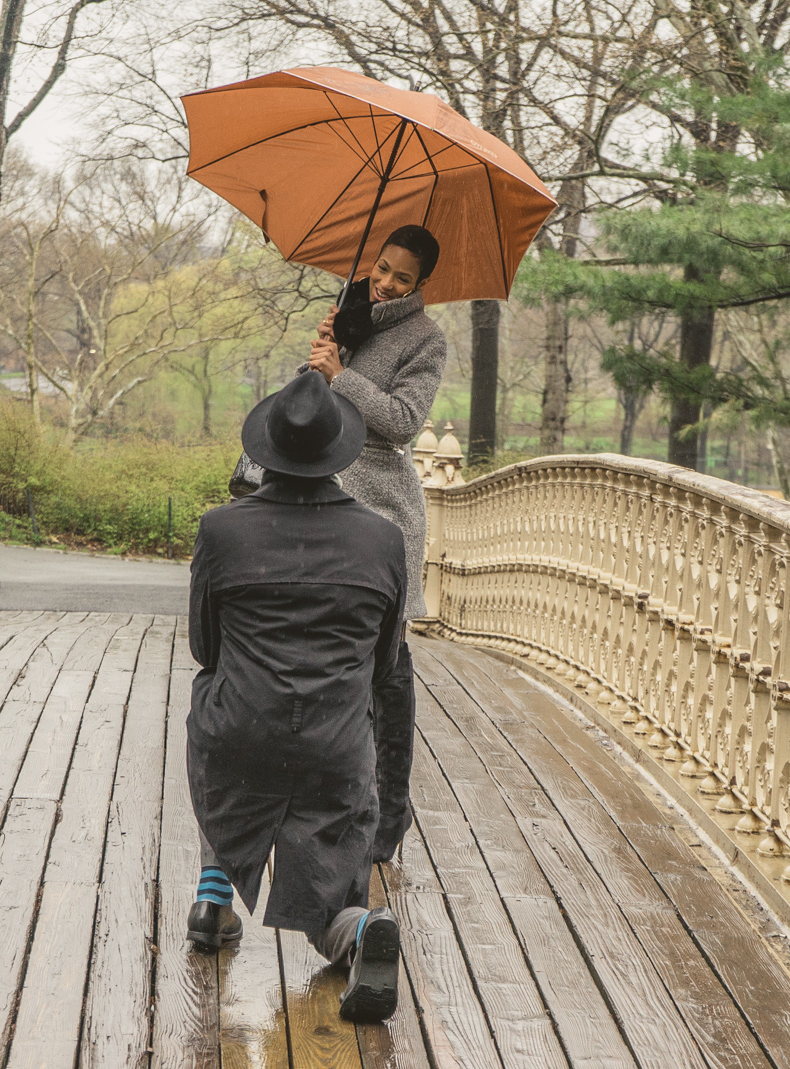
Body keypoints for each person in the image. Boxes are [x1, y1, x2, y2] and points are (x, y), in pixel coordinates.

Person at [185, 370, 408, 1022]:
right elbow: (386, 662)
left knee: (213, 701)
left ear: (267, 451)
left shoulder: (222, 530)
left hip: (241, 734)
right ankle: (358, 931)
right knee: (330, 890)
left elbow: (206, 646)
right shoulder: (383, 538)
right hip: (334, 748)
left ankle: (213, 893)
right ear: (340, 452)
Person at [308, 224, 446, 863]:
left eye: (402, 277)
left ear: (421, 286)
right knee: (332, 655)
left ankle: (388, 814)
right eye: (382, 268)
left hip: (384, 512)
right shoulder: (347, 315)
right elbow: (312, 407)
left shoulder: (426, 339)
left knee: (385, 665)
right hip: (325, 504)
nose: (385, 282)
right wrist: (319, 363)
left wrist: (342, 376)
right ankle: (335, 799)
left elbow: (400, 423)